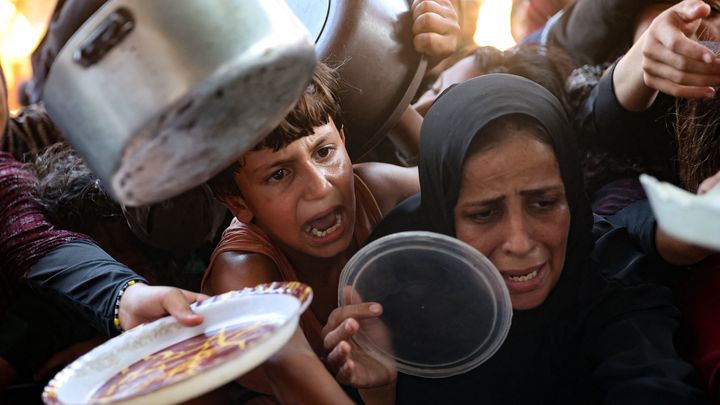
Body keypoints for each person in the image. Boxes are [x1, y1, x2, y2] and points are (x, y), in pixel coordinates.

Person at [322, 74, 709, 404]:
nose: (520, 242)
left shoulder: (608, 278)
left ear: (572, 193)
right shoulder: (394, 285)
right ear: (442, 215)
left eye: (544, 203)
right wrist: (380, 393)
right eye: (484, 214)